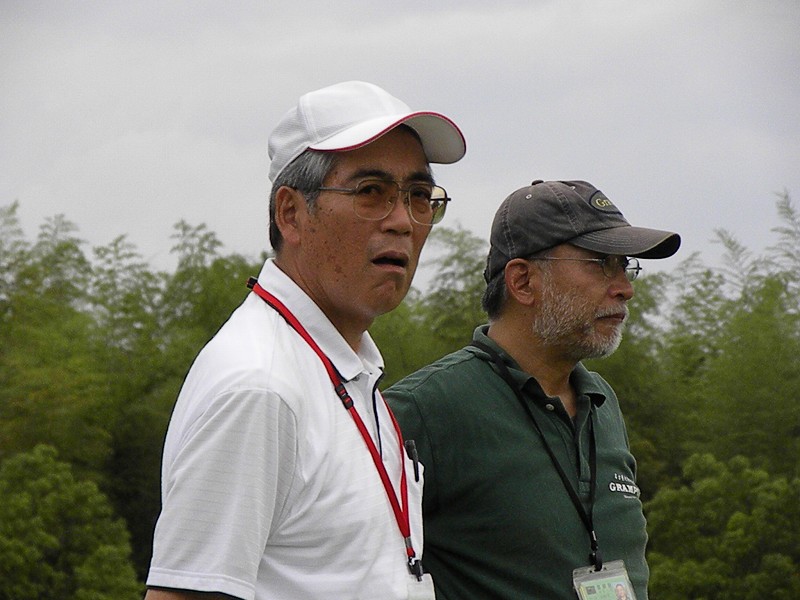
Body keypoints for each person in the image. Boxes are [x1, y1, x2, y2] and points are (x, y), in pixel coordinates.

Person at [144, 81, 466, 600]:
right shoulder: (261, 387)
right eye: (371, 192)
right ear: (290, 213)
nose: (403, 221)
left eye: (419, 197)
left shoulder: (344, 367)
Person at [385, 179, 681, 600]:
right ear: (522, 281)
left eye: (624, 265)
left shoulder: (602, 402)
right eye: (601, 263)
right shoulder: (421, 410)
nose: (625, 288)